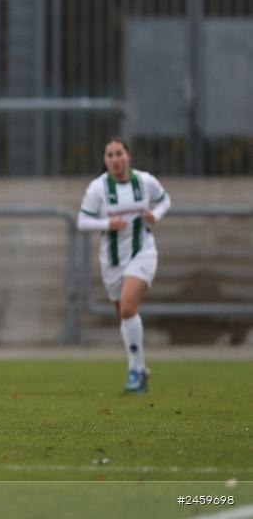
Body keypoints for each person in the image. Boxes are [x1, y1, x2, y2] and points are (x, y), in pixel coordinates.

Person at [77, 137, 171, 393]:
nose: (115, 159)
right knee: (123, 313)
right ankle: (140, 368)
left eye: (119, 153)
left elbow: (165, 200)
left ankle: (133, 371)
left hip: (143, 252)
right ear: (105, 161)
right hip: (112, 260)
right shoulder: (98, 188)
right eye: (110, 155)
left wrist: (156, 214)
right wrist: (108, 224)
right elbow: (82, 222)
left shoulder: (145, 181)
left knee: (129, 307)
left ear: (128, 156)